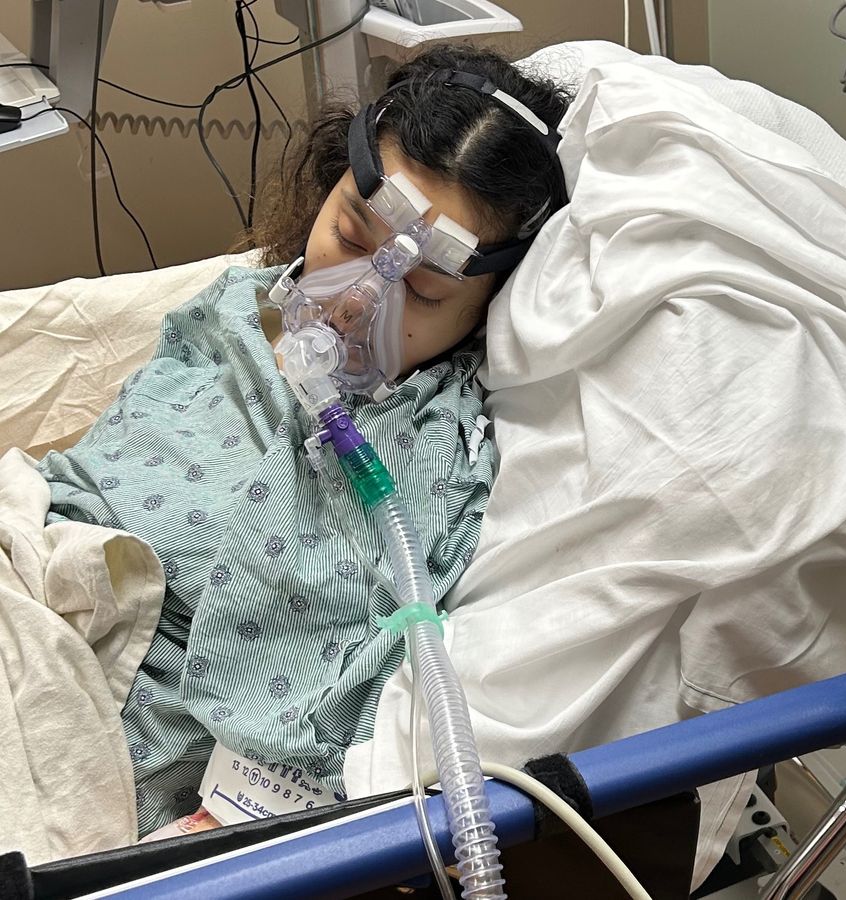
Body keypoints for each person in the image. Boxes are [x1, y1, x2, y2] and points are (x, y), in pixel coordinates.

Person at [35, 44, 572, 839]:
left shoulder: (428, 452)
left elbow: (321, 704)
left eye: (424, 292)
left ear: (484, 311)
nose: (355, 303)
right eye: (351, 235)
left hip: (99, 735)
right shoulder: (235, 304)